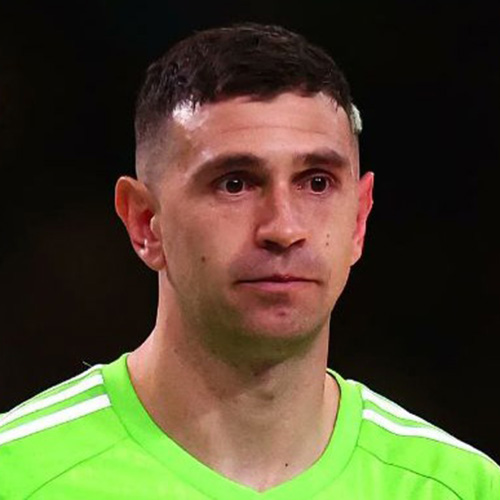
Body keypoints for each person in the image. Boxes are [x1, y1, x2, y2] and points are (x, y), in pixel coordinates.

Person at [0, 22, 498, 499]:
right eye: (234, 183)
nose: (283, 228)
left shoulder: (462, 487)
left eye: (317, 182)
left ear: (359, 219)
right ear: (145, 222)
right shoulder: (17, 474)